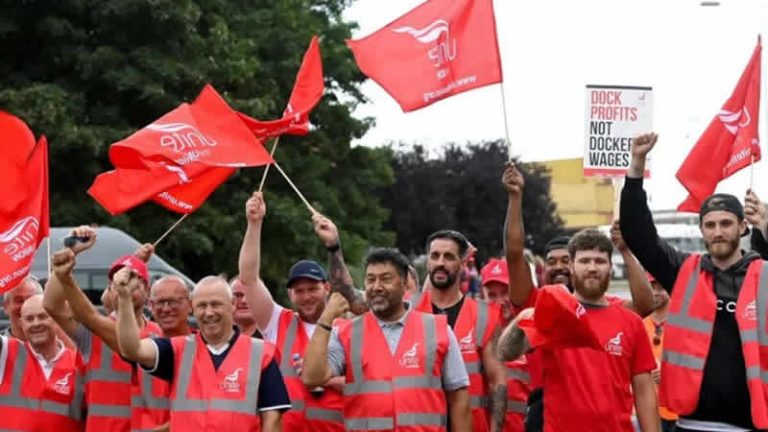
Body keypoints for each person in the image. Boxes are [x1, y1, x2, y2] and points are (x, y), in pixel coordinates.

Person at [621, 132, 768, 432]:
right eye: (710, 225)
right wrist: (636, 167)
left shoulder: (762, 273)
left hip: (749, 424)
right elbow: (638, 233)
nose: (718, 231)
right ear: (701, 230)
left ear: (742, 227)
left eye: (726, 223)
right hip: (690, 423)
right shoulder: (685, 271)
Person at [499, 228, 660, 432]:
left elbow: (644, 392)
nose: (592, 268)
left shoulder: (631, 322)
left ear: (610, 267)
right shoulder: (552, 314)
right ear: (572, 267)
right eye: (584, 261)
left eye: (600, 261)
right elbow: (505, 352)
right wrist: (520, 321)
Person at [302, 248, 472, 431]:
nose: (376, 287)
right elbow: (312, 377)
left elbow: (459, 399)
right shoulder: (346, 333)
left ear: (404, 281)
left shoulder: (438, 331)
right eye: (370, 279)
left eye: (386, 279)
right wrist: (325, 319)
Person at [238, 191, 360, 431]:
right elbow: (249, 279)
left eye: (312, 288)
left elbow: (370, 384)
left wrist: (331, 379)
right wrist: (255, 224)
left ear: (326, 287)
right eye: (299, 291)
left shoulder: (349, 330)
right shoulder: (277, 322)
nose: (306, 297)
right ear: (290, 294)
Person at [114, 272, 290, 432]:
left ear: (233, 305)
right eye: (201, 306)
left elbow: (272, 420)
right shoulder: (177, 350)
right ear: (192, 307)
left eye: (216, 304)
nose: (209, 312)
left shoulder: (260, 354)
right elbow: (132, 349)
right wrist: (124, 298)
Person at [44, 226, 165, 432]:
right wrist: (70, 255)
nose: (123, 288)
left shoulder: (160, 334)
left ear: (147, 290)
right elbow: (52, 305)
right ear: (110, 291)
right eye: (117, 283)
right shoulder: (93, 333)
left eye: (132, 282)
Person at [410, 230, 507, 432]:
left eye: (449, 257)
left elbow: (497, 381)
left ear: (463, 264)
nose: (440, 263)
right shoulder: (409, 310)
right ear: (427, 261)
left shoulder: (484, 316)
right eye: (435, 256)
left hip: (472, 424)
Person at [0, 294, 86, 431]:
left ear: (55, 319)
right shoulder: (7, 352)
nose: (36, 323)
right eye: (29, 319)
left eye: (42, 316)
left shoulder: (78, 363)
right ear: (21, 324)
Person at [481, 258, 530, 432]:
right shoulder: (476, 336)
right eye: (492, 295)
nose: (500, 301)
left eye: (505, 292)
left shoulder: (530, 329)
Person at [642, 273, 677, 432]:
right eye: (651, 287)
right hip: (648, 411)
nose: (655, 292)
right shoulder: (639, 323)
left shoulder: (682, 322)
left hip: (677, 412)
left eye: (660, 288)